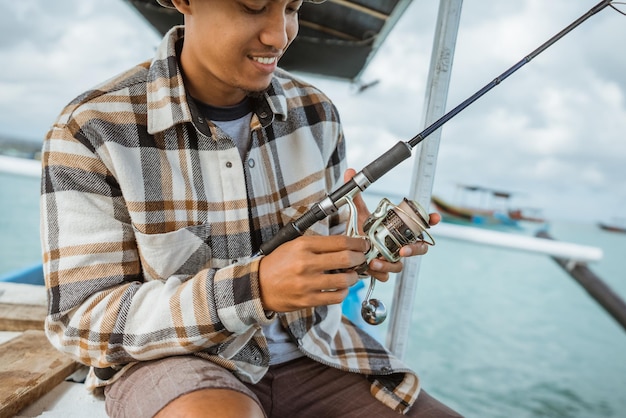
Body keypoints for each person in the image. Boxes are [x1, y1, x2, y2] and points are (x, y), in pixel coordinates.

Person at [40, 0, 462, 417]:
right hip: (178, 364)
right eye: (253, 6)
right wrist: (254, 288)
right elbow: (80, 321)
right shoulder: (89, 128)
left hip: (318, 353)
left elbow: (330, 251)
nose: (279, 36)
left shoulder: (319, 114)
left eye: (292, 8)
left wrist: (361, 254)